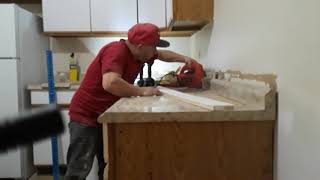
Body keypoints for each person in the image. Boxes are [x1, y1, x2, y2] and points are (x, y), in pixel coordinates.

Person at [64, 23, 200, 180]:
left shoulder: (139, 53)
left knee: (107, 164)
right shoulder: (116, 51)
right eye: (154, 47)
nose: (155, 51)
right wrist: (142, 91)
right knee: (79, 169)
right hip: (86, 116)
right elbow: (110, 82)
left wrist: (184, 58)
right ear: (141, 46)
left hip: (104, 115)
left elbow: (163, 55)